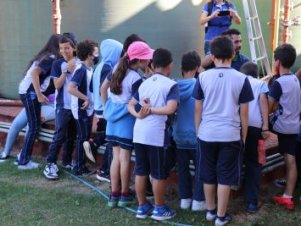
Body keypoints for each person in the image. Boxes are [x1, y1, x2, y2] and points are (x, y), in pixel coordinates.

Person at [193, 36, 254, 225]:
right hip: (231, 134)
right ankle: (221, 216)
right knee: (225, 176)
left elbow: (197, 109)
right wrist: (243, 135)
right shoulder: (242, 79)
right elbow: (244, 113)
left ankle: (211, 211)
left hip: (206, 133)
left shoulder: (202, 77)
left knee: (208, 173)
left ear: (212, 56)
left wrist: (198, 131)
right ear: (233, 54)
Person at [128, 48, 178, 221]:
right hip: (156, 134)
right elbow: (171, 108)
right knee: (157, 173)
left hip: (139, 132)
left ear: (152, 64)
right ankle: (159, 209)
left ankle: (142, 207)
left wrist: (140, 114)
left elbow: (130, 105)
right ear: (170, 65)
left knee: (141, 170)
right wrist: (151, 110)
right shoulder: (171, 84)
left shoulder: (144, 83)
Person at [104, 41, 153, 208]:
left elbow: (104, 88)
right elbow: (137, 103)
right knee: (125, 159)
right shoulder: (136, 79)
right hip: (126, 122)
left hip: (112, 122)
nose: (149, 62)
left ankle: (113, 195)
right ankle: (125, 195)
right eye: (147, 59)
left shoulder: (117, 67)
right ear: (139, 61)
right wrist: (148, 79)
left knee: (115, 158)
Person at [17, 33, 61, 170]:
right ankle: (24, 162)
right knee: (34, 126)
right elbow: (35, 73)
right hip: (29, 93)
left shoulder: (46, 56)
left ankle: (22, 156)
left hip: (26, 91)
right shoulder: (51, 58)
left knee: (33, 126)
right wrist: (39, 94)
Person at [83, 39, 123, 182]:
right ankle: (104, 170)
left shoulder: (99, 66)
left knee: (108, 135)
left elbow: (92, 89)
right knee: (112, 140)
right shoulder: (108, 68)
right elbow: (103, 89)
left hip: (98, 107)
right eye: (119, 54)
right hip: (105, 108)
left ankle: (93, 143)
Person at [172, 51, 205, 211]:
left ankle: (185, 199)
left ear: (181, 68)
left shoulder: (174, 86)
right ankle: (198, 201)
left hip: (179, 136)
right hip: (197, 136)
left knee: (183, 169)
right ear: (198, 68)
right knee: (200, 169)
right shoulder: (200, 85)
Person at [269, 44, 301, 210]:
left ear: (278, 62)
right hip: (294, 125)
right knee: (291, 159)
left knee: (290, 160)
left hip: (283, 126)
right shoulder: (295, 79)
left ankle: (288, 196)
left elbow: (267, 107)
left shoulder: (278, 83)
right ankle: (288, 194)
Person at [43, 34, 78, 179]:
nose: (64, 51)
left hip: (76, 107)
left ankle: (66, 161)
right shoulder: (57, 64)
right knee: (60, 135)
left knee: (72, 136)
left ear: (74, 48)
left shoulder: (80, 62)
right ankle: (50, 163)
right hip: (62, 106)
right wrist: (66, 71)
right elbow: (57, 85)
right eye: (61, 48)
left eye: (67, 48)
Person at [240, 62, 270, 213]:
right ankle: (251, 201)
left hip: (237, 126)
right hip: (254, 128)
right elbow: (263, 101)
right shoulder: (260, 84)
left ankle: (232, 191)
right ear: (256, 74)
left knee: (237, 158)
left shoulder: (238, 81)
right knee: (254, 163)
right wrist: (265, 126)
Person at [68, 39, 99, 175]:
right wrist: (85, 98)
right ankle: (78, 166)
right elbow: (71, 88)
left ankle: (81, 164)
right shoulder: (81, 70)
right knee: (82, 137)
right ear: (89, 55)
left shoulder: (90, 69)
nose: (98, 55)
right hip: (81, 110)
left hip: (88, 109)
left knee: (85, 137)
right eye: (96, 53)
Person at [0, 97, 55, 162]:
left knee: (31, 124)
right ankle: (6, 152)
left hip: (53, 106)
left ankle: (22, 154)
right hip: (38, 103)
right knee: (15, 125)